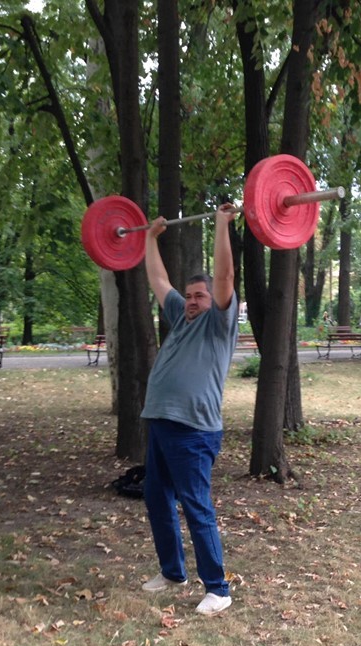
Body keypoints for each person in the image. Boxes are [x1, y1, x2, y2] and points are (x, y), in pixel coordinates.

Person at [139, 204, 239, 616]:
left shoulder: (219, 321)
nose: (194, 300)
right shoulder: (180, 314)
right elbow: (158, 279)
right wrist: (149, 238)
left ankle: (218, 588)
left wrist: (221, 226)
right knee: (156, 498)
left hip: (194, 430)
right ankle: (172, 572)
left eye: (200, 295)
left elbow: (225, 277)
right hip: (162, 424)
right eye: (191, 294)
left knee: (195, 504)